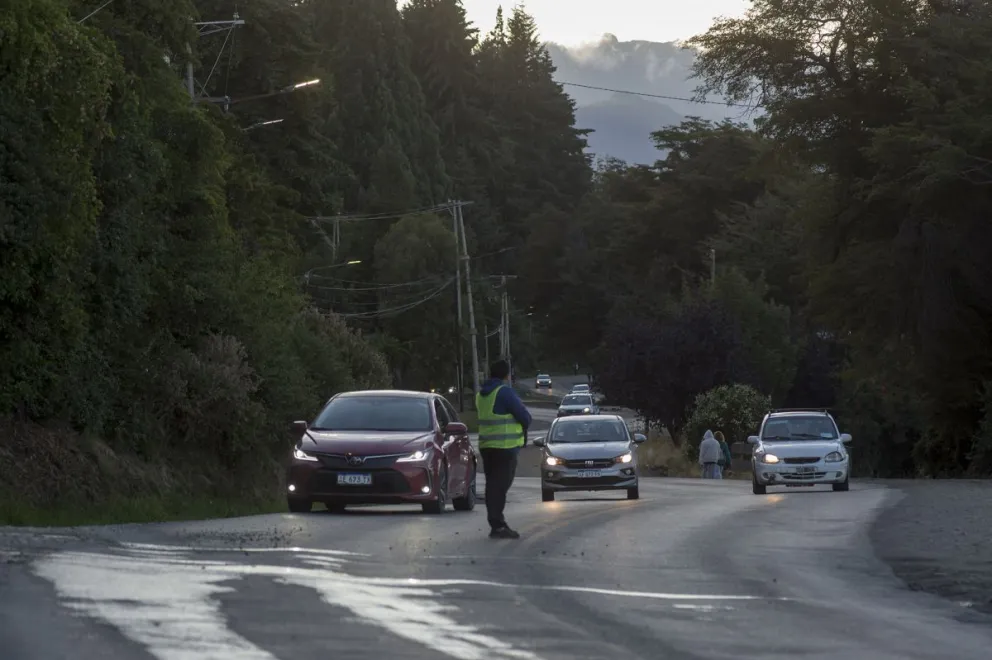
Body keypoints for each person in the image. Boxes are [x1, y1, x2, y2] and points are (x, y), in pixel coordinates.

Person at [477, 359, 532, 539]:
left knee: (492, 485)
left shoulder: (482, 394)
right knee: (500, 486)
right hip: (505, 448)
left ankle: (495, 522)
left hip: (486, 447)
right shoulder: (504, 392)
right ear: (507, 375)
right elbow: (524, 416)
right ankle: (498, 524)